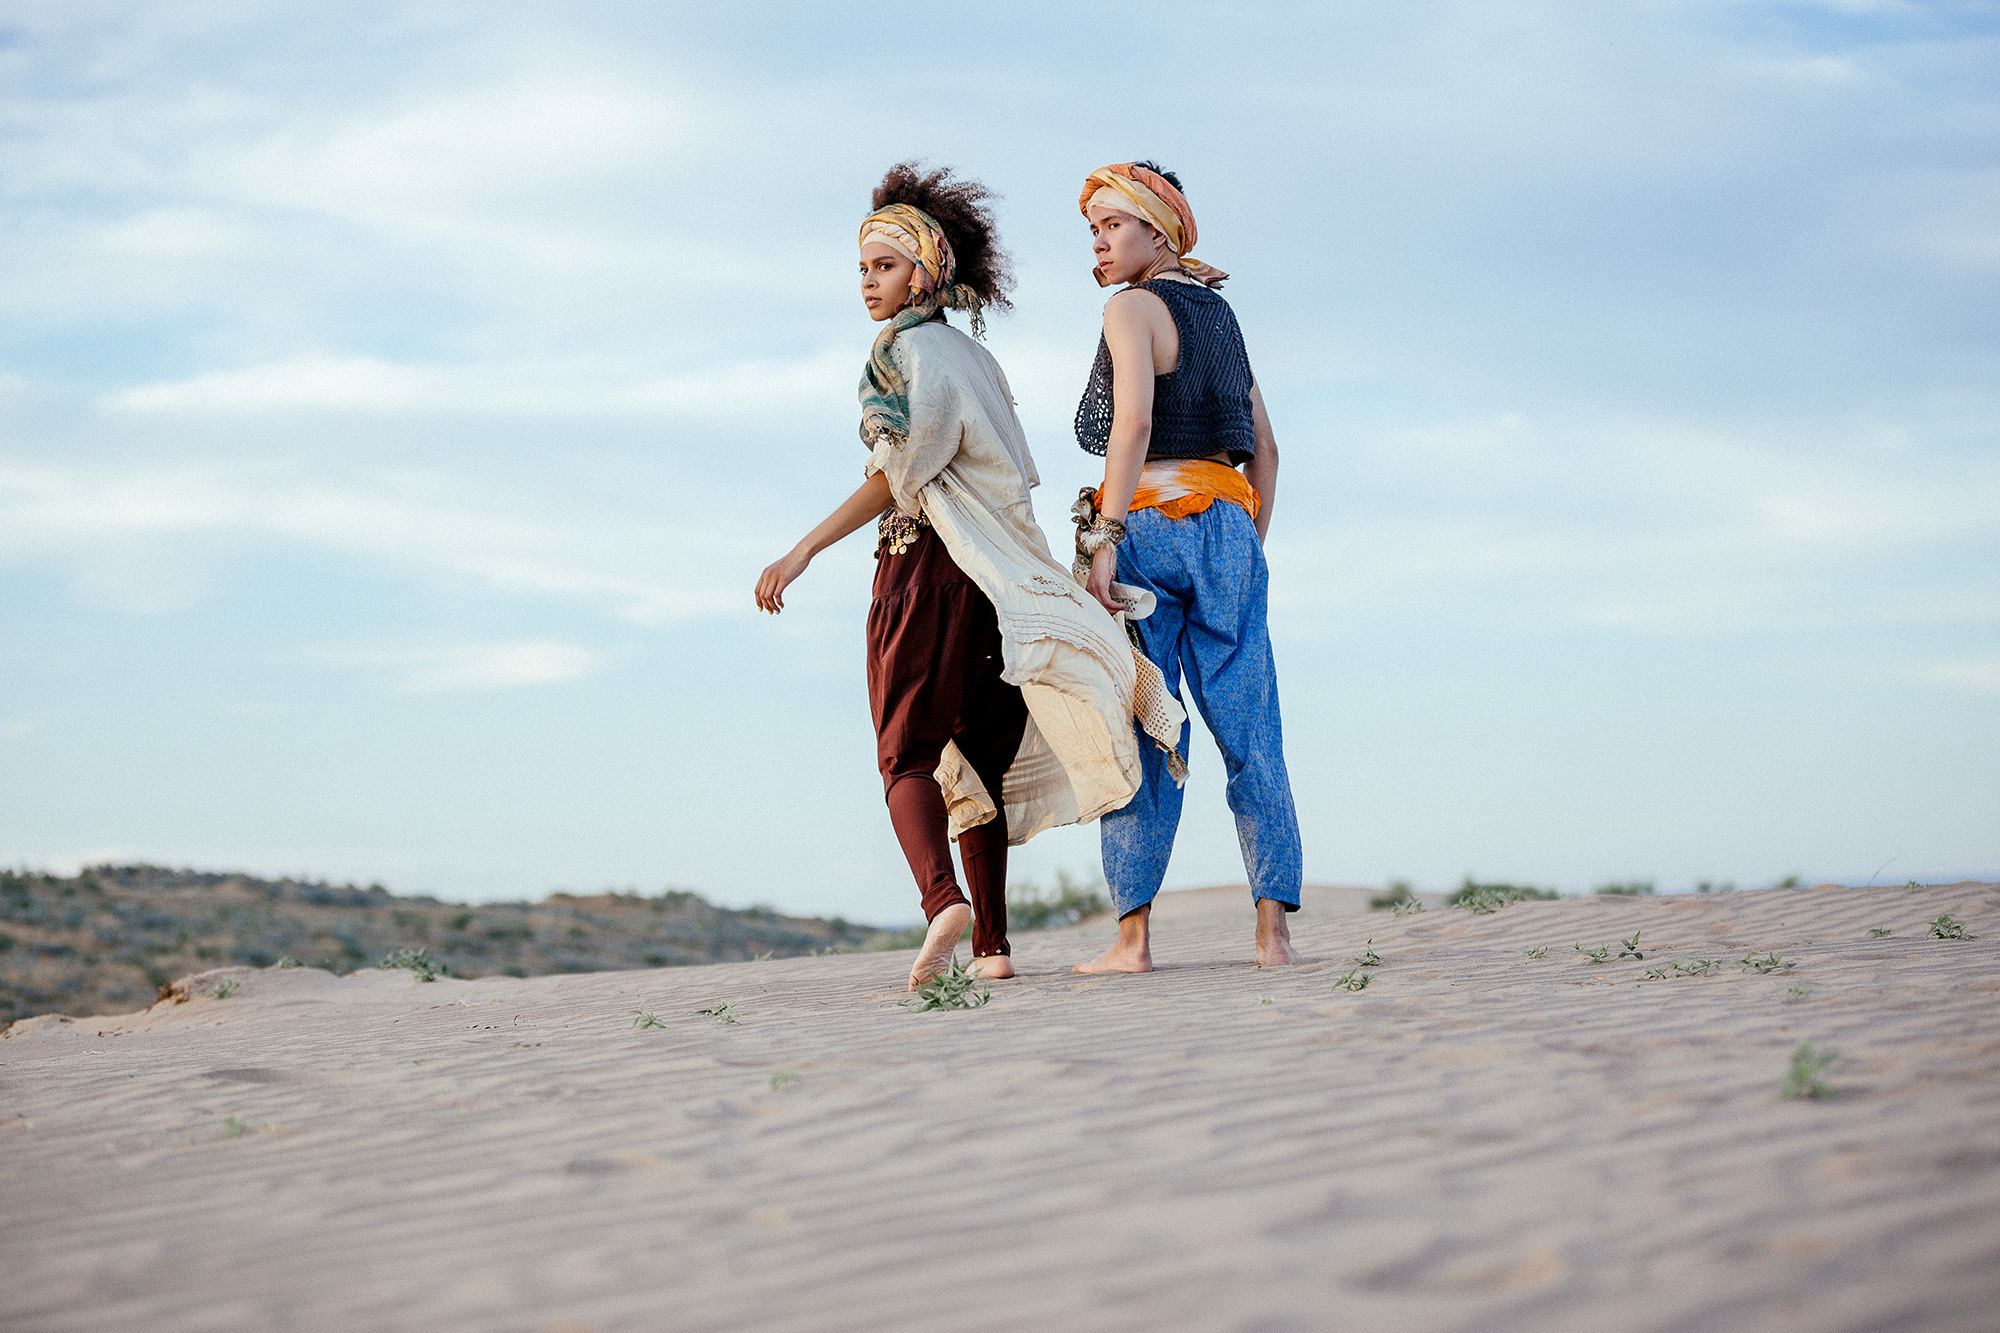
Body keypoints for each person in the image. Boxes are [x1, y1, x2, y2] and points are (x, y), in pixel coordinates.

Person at [755, 163, 1173, 991]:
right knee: (973, 759)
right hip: (996, 584)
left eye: (884, 266)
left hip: (924, 567)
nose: (870, 285)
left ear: (926, 268)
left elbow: (898, 474)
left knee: (904, 755)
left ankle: (940, 899)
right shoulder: (979, 360)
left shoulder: (904, 352)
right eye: (864, 270)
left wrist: (802, 549)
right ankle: (992, 945)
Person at [1069, 160, 1305, 974]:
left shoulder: (1131, 306)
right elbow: (1266, 449)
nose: (1097, 244)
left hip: (1146, 527)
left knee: (1143, 723)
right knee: (1254, 729)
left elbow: (1131, 421)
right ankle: (1274, 932)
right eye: (1092, 229)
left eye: (1112, 226)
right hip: (1229, 524)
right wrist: (1247, 544)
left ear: (1158, 230)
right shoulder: (1222, 317)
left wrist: (1105, 537)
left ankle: (1131, 940)